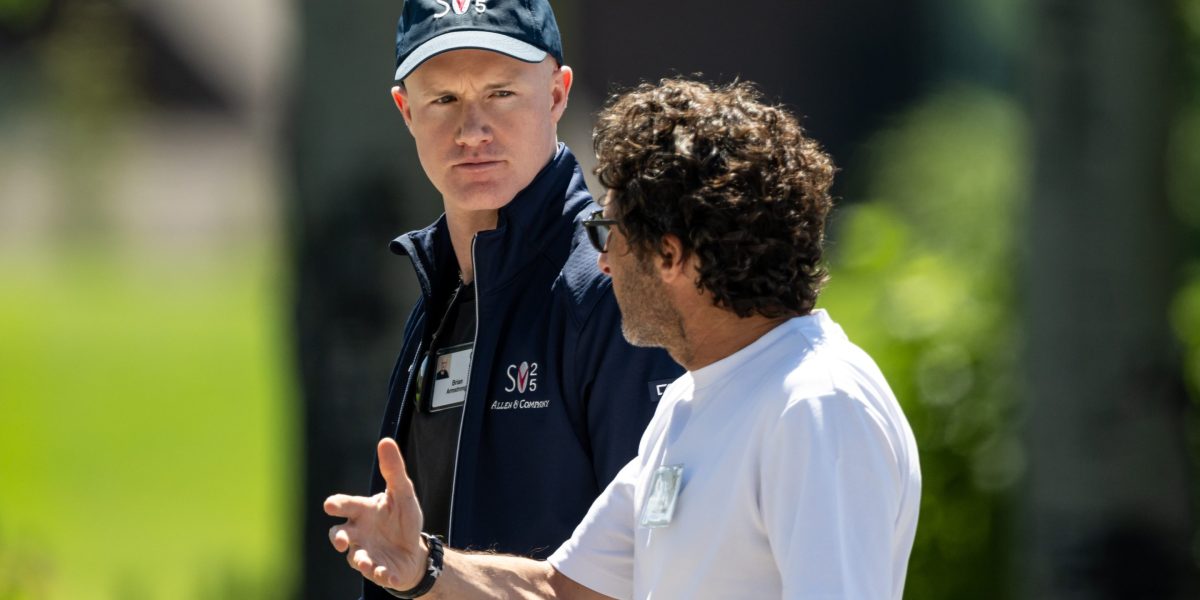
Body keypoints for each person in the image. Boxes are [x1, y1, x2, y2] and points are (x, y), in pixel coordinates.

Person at [326, 78, 922, 599]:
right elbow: (560, 592)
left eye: (607, 229)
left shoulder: (816, 405)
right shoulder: (689, 402)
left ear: (671, 255)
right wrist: (424, 566)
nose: (602, 259)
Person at [355, 0, 683, 597]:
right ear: (406, 110)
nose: (471, 131)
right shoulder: (442, 288)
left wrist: (432, 572)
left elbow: (659, 567)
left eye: (501, 94)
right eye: (444, 99)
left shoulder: (613, 288)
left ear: (557, 94)